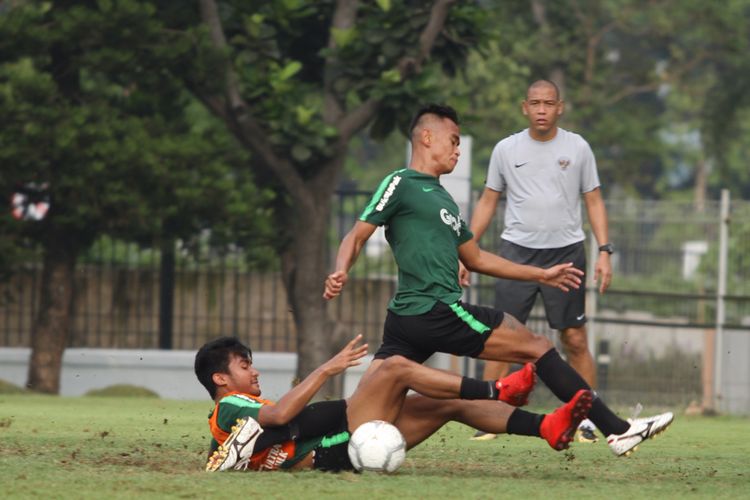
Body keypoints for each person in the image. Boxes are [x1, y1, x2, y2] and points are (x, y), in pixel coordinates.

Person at [323, 103, 672, 457]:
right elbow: (356, 234)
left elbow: (475, 258)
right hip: (433, 309)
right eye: (453, 140)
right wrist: (341, 269)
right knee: (538, 347)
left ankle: (327, 450)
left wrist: (542, 274)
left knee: (365, 411)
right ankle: (618, 430)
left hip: (406, 320)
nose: (458, 150)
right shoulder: (400, 182)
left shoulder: (443, 199)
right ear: (426, 137)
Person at [194, 334, 594, 472]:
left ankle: (546, 427)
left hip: (341, 438)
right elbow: (282, 414)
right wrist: (327, 368)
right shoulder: (229, 406)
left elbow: (276, 423)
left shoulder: (245, 406)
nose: (254, 372)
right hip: (337, 444)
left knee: (442, 404)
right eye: (245, 366)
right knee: (393, 369)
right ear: (220, 379)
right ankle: (496, 390)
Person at [466, 79, 610, 443]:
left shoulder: (577, 147)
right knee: (500, 337)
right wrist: (465, 250)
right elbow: (487, 201)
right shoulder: (505, 149)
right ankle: (490, 417)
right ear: (524, 107)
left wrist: (605, 252)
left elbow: (593, 200)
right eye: (535, 103)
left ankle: (589, 417)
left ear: (560, 107)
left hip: (567, 253)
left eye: (549, 103)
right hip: (516, 254)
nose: (542, 110)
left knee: (574, 338)